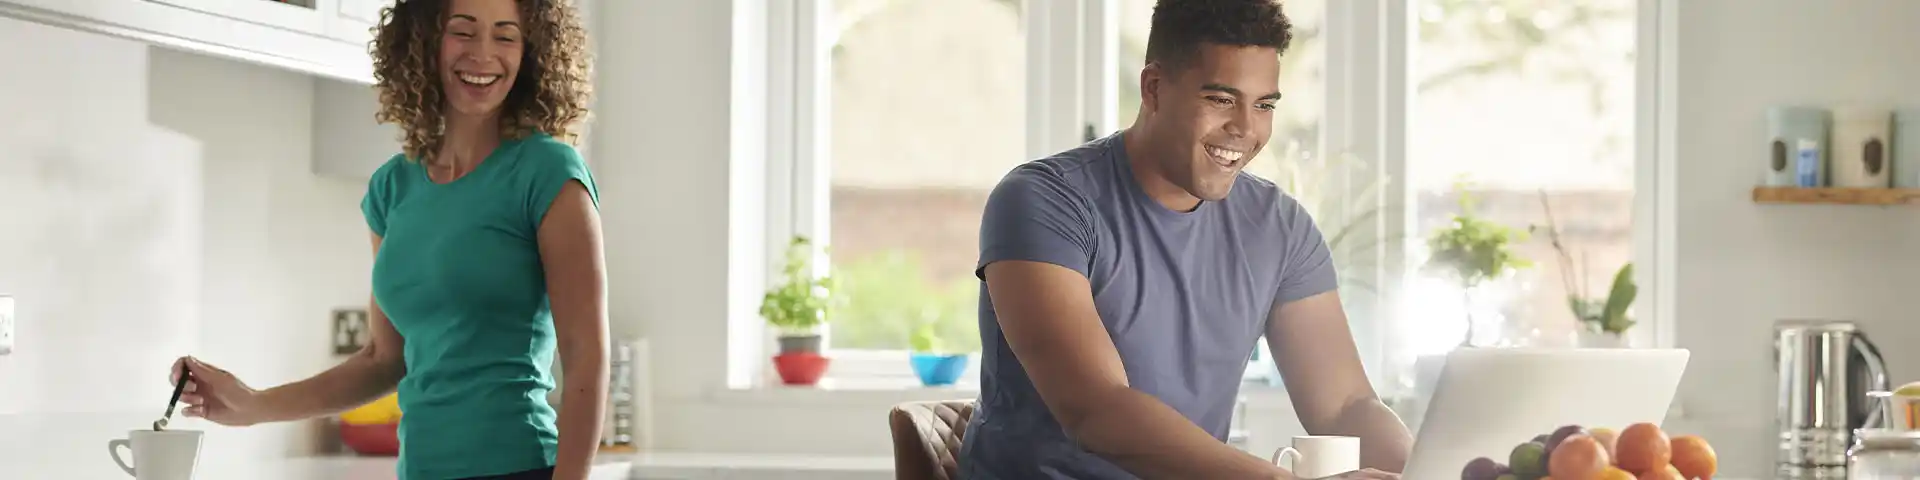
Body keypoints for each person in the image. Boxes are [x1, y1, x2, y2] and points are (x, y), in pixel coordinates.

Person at [959, 1, 1413, 479]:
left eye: (1264, 105)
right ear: (1154, 88)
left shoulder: (1279, 226)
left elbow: (1345, 404)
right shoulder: (1043, 201)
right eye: (1220, 99)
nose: (1245, 128)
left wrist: (1427, 471)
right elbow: (1096, 410)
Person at [165, 0, 607, 479]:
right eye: (463, 32)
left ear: (531, 53)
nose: (483, 54)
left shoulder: (548, 173)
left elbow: (586, 355)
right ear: (425, 42)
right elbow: (382, 359)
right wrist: (254, 405)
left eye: (505, 36)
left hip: (520, 468)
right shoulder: (391, 190)